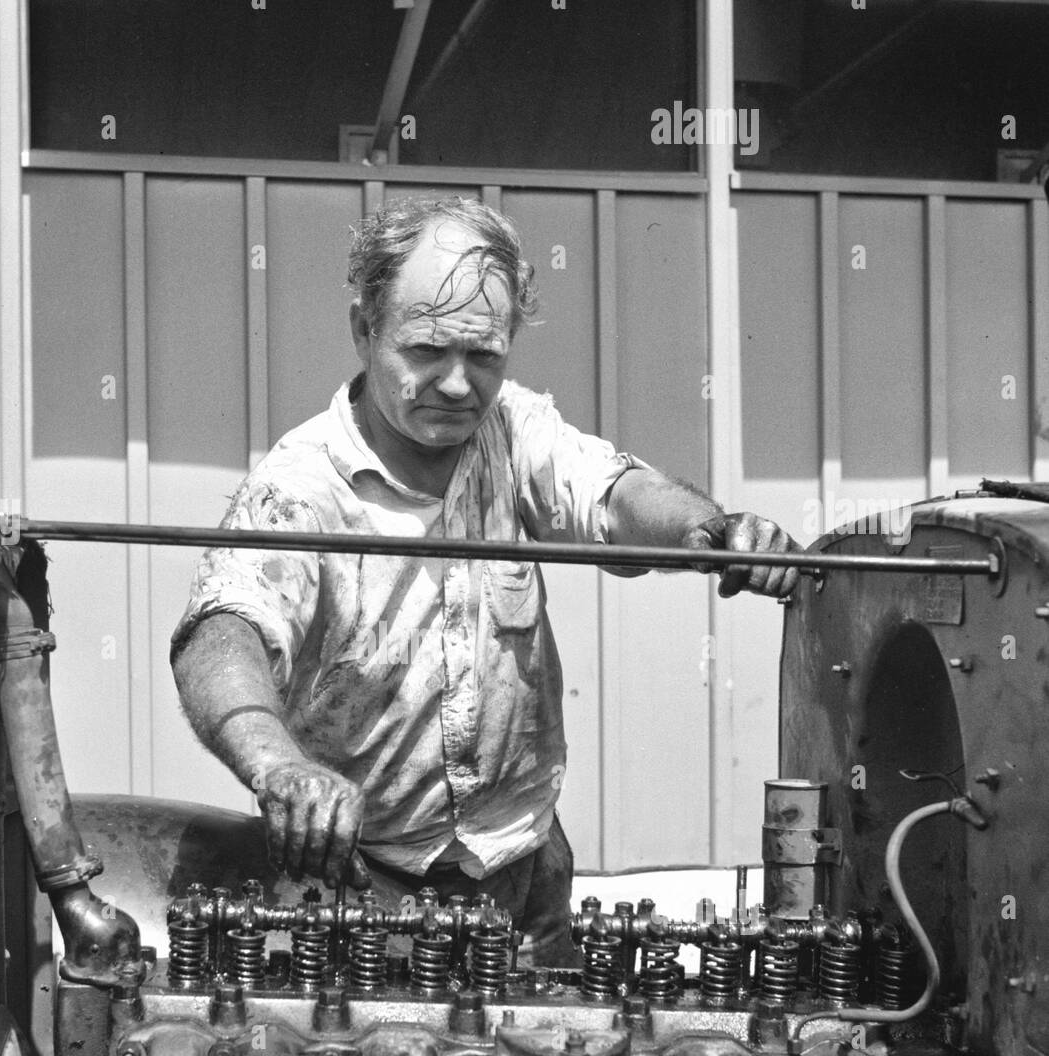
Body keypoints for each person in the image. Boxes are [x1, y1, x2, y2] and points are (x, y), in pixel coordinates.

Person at [171, 196, 797, 965]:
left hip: (523, 870)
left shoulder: (515, 431)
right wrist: (280, 767)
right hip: (362, 894)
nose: (459, 386)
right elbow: (220, 635)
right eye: (427, 350)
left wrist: (709, 533)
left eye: (484, 357)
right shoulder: (296, 491)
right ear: (363, 328)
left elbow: (613, 496)